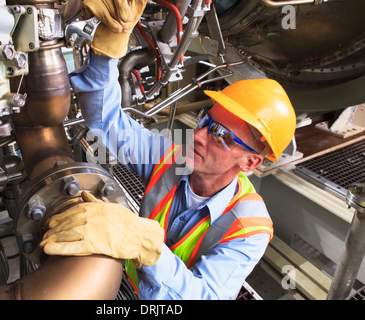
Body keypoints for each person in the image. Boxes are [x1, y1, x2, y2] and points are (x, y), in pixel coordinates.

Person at [40, 0, 297, 300]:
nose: (198, 136)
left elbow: (205, 297)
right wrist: (108, 48)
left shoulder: (249, 227)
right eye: (206, 121)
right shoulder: (173, 160)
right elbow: (107, 124)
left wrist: (145, 246)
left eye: (220, 135)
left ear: (250, 162)